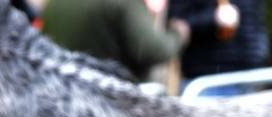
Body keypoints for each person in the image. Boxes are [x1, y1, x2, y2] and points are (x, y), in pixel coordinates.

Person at [42, 0, 191, 80]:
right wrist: (178, 34)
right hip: (113, 102)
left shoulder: (54, 2)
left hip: (64, 95)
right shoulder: (125, 2)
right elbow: (149, 49)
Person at [168, 0, 269, 82]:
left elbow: (255, 18)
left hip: (250, 74)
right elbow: (177, 24)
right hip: (207, 78)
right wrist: (213, 17)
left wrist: (260, 53)